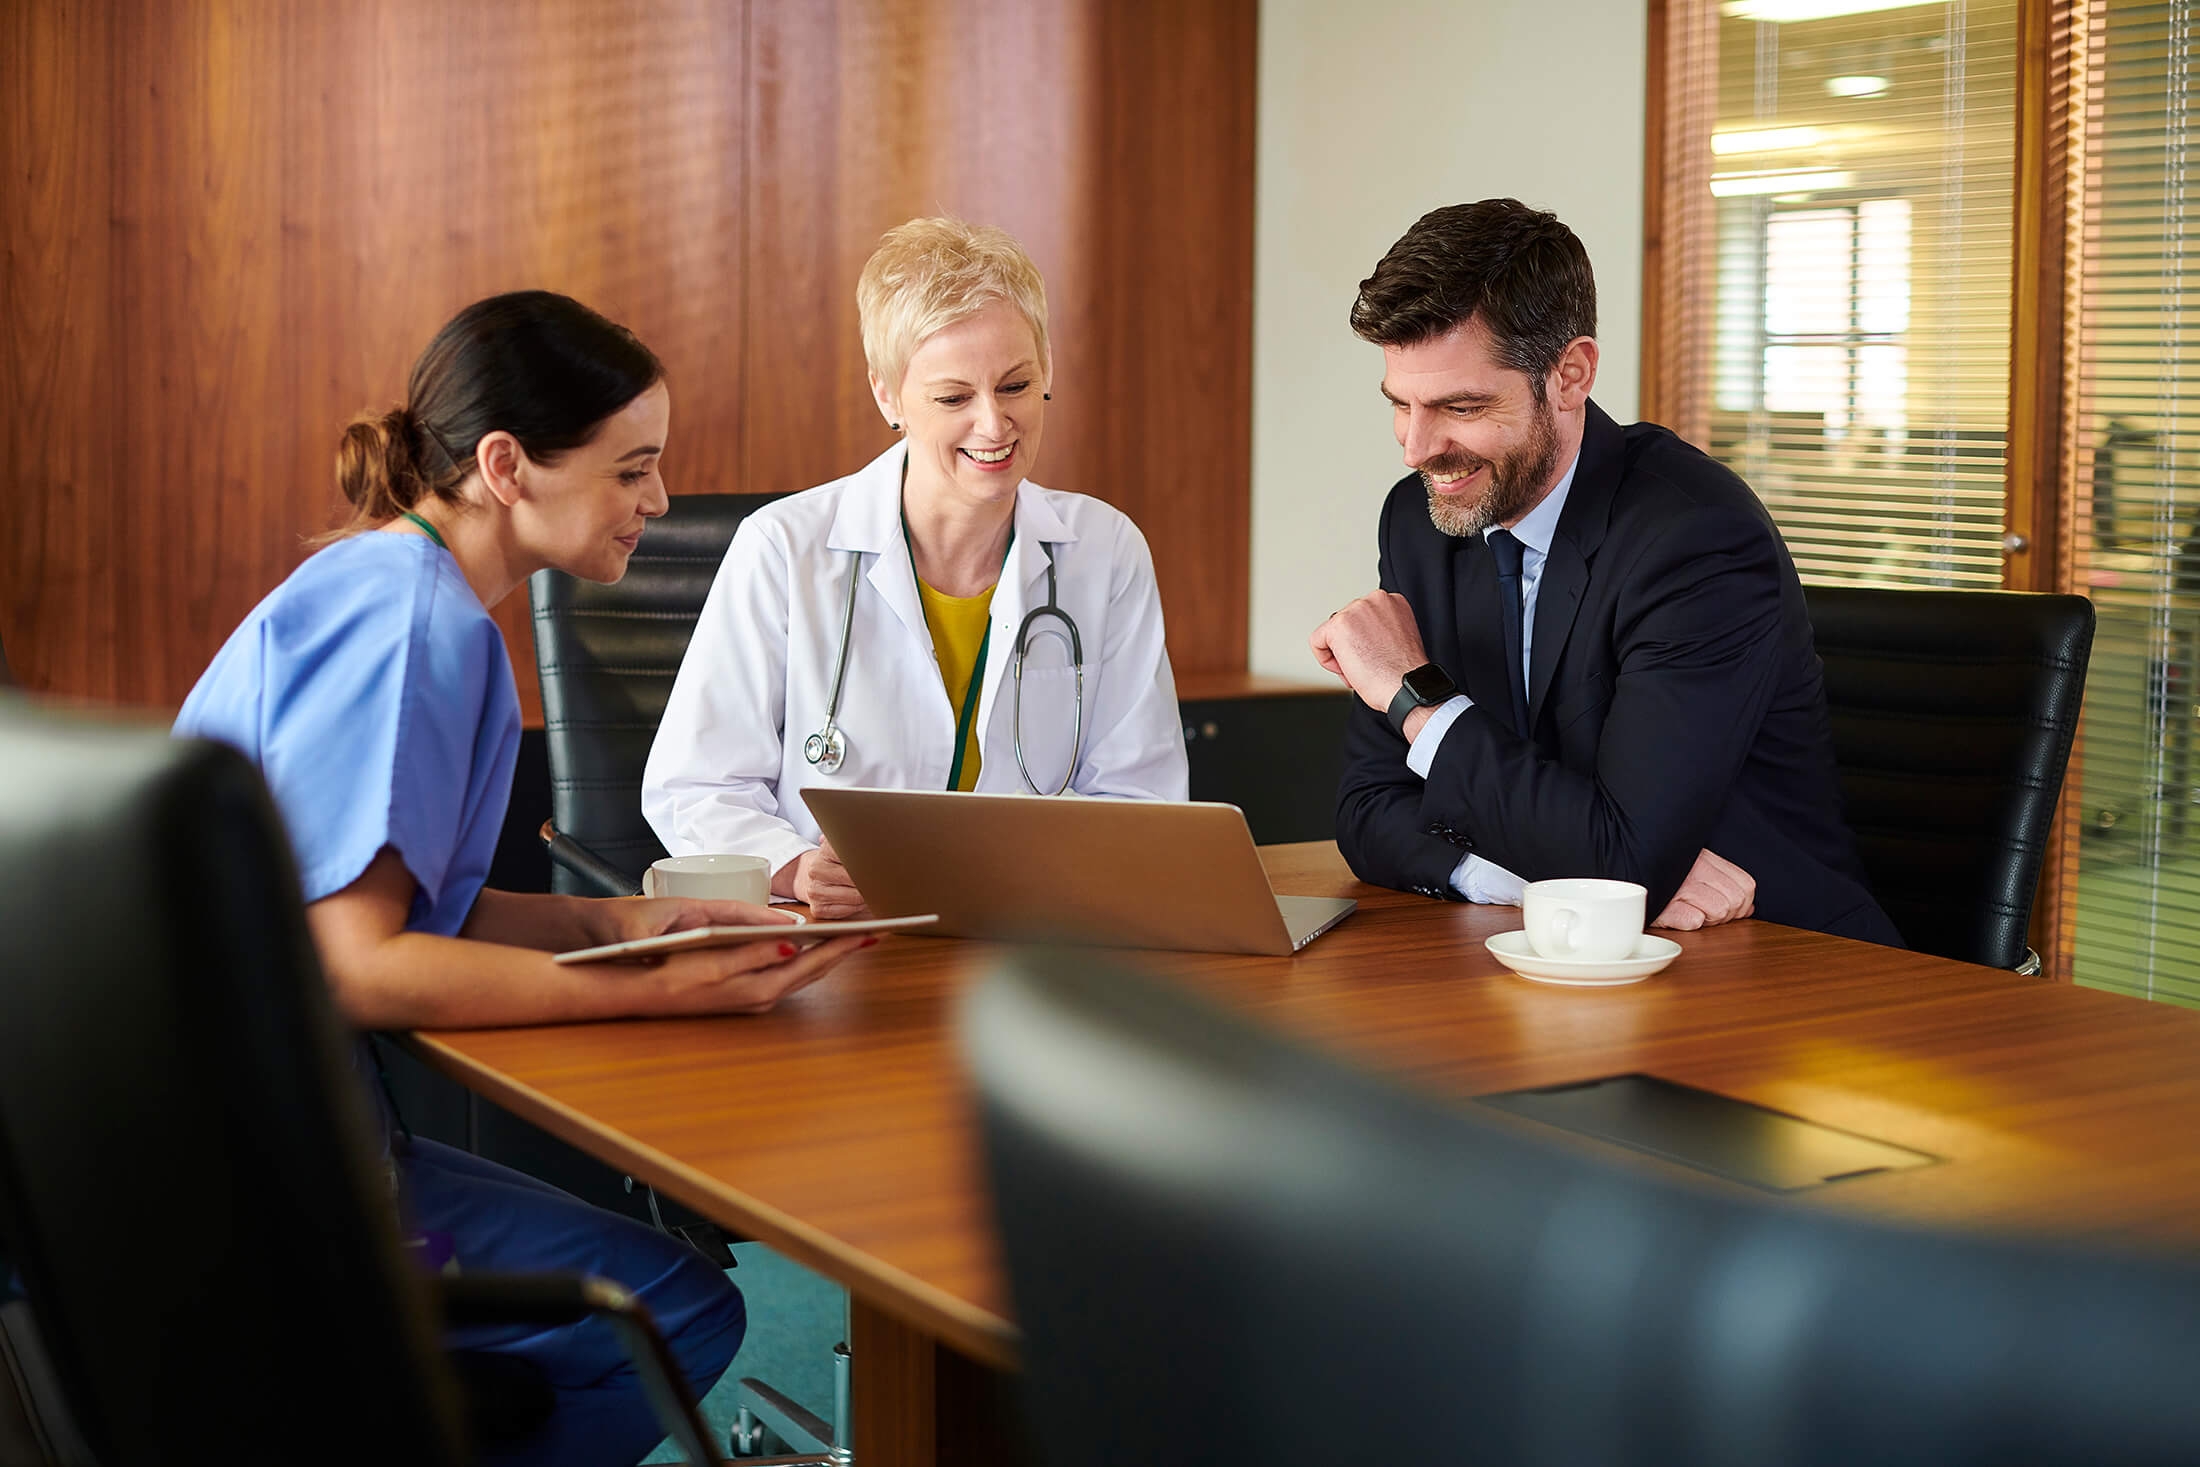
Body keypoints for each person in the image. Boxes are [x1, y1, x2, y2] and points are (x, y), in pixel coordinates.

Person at [174, 291, 872, 1466]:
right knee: (680, 1309)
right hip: (254, 1164)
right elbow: (361, 965)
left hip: (223, 1121)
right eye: (630, 470)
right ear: (507, 466)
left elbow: (388, 904)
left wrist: (620, 917)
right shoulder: (418, 630)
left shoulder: (385, 589)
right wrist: (662, 992)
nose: (656, 501)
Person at [1310, 200, 1902, 945]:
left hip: (1774, 960)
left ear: (1570, 374)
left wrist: (1413, 697)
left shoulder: (1695, 541)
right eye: (1402, 405)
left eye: (1460, 406)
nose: (1417, 448)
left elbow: (1622, 860)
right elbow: (1368, 812)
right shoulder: (1421, 520)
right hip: (1575, 953)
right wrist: (1538, 878)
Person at [644, 218, 1189, 918]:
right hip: (841, 944)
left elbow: (1143, 798)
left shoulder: (1105, 550)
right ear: (887, 396)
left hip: (1031, 933)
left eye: (1016, 384)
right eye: (954, 397)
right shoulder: (783, 547)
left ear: (1047, 368)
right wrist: (798, 868)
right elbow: (694, 785)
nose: (994, 425)